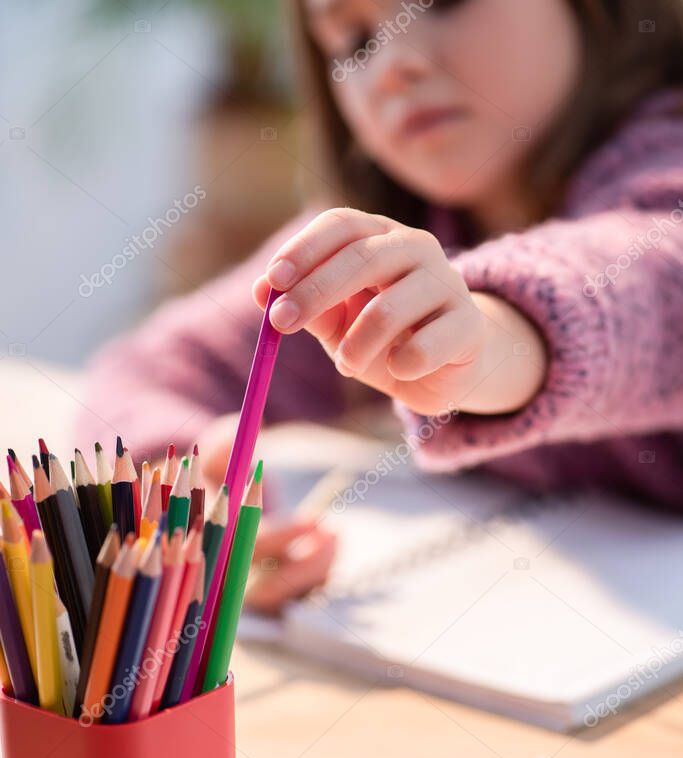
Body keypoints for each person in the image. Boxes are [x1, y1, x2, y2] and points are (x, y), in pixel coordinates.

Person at [78, 0, 683, 610]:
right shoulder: (379, 239)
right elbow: (145, 373)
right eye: (354, 42)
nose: (394, 64)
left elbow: (648, 291)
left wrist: (487, 338)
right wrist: (189, 484)